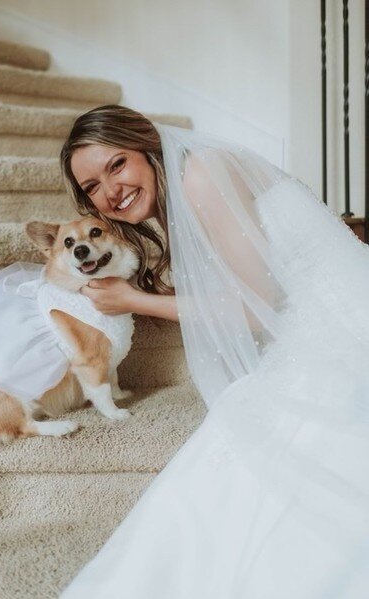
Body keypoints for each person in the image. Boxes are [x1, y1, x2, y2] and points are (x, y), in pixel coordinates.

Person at [58, 104, 369, 598]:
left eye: (117, 165)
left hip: (349, 332)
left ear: (148, 147)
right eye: (93, 186)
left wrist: (136, 300)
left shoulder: (202, 175)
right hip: (316, 326)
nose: (111, 192)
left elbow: (252, 308)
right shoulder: (185, 188)